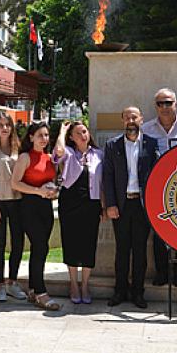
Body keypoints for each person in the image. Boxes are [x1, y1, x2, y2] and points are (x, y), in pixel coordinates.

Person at [102, 107, 160, 309]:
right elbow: (107, 177)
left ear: (141, 120)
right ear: (122, 121)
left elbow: (157, 175)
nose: (131, 120)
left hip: (142, 206)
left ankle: (138, 292)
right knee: (122, 250)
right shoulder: (112, 145)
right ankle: (119, 291)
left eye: (134, 117)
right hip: (121, 205)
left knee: (140, 251)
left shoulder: (151, 144)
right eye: (127, 117)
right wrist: (110, 204)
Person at [142, 88, 177, 287]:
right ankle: (161, 272)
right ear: (155, 106)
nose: (164, 107)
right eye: (160, 103)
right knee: (159, 231)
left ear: (176, 103)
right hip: (157, 187)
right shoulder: (146, 129)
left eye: (168, 102)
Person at [11, 121, 61, 311]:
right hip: (28, 206)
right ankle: (41, 292)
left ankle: (33, 289)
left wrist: (52, 191)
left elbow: (52, 180)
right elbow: (15, 183)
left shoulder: (49, 157)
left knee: (40, 249)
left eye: (47, 135)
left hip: (46, 207)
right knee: (41, 246)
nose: (44, 139)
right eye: (40, 135)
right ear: (31, 137)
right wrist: (37, 191)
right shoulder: (25, 157)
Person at [54, 120, 104, 304]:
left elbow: (102, 183)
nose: (83, 135)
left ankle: (85, 285)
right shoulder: (68, 152)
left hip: (91, 204)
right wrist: (62, 131)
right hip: (70, 204)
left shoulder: (99, 154)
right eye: (78, 133)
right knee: (71, 242)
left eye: (84, 131)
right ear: (72, 138)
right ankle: (73, 284)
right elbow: (58, 152)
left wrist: (104, 206)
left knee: (88, 244)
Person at [0, 112, 27, 302]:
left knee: (18, 243)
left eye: (7, 125)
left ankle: (12, 282)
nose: (4, 128)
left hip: (17, 201)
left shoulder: (19, 148)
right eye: (0, 125)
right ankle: (0, 284)